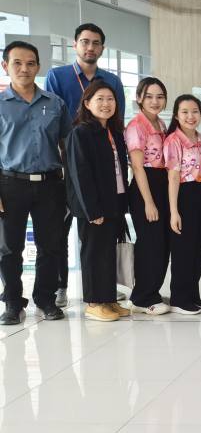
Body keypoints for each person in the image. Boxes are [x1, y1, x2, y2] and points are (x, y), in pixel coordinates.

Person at [44, 23, 127, 308]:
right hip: (67, 163)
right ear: (75, 44)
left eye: (96, 43)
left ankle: (105, 294)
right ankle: (66, 289)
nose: (90, 47)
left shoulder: (112, 81)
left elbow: (116, 121)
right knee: (70, 235)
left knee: (104, 242)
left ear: (102, 47)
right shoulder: (58, 77)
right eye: (85, 41)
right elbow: (52, 121)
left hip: (103, 171)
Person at [0, 41, 72, 324]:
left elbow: (66, 147)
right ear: (5, 66)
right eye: (17, 63)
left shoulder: (55, 104)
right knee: (9, 248)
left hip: (50, 184)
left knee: (50, 246)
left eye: (30, 63)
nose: (24, 69)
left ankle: (45, 299)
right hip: (10, 184)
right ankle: (12, 303)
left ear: (38, 67)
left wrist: (70, 187)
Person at [65, 81, 129, 322]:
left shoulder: (114, 133)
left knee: (107, 253)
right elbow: (80, 174)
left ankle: (109, 299)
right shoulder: (80, 133)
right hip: (93, 207)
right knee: (93, 253)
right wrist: (92, 210)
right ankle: (94, 303)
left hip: (114, 202)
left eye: (110, 99)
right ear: (87, 103)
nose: (106, 104)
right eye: (99, 99)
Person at [124, 77, 171, 315]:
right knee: (149, 243)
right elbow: (137, 167)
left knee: (161, 243)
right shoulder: (136, 126)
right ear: (139, 98)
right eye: (149, 96)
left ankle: (153, 290)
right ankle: (142, 298)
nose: (155, 101)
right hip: (145, 187)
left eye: (160, 96)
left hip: (162, 183)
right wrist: (149, 202)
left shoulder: (161, 123)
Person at [164, 95, 201, 315]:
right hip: (184, 195)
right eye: (184, 112)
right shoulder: (173, 140)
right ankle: (179, 298)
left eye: (195, 111)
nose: (190, 116)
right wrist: (174, 211)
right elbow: (173, 177)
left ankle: (193, 294)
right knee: (184, 249)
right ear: (176, 115)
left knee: (199, 247)